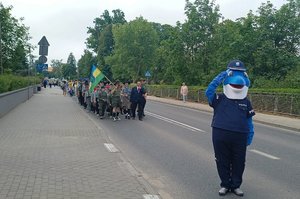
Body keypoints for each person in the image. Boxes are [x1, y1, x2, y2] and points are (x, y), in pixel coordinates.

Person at [205, 60, 255, 197]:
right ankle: (225, 184)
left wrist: (250, 133)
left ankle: (236, 185)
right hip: (220, 133)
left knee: (239, 161)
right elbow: (208, 91)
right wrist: (221, 76)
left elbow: (249, 120)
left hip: (240, 135)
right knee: (222, 160)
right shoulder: (219, 98)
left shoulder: (246, 102)